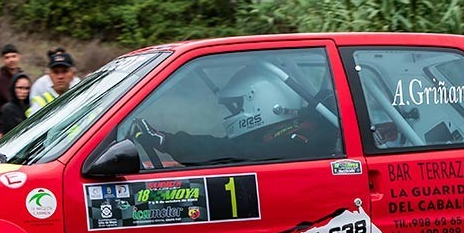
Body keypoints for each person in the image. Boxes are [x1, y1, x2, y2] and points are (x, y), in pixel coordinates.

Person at [130, 66, 342, 165]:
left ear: (259, 101)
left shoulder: (291, 143)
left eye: (238, 104)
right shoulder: (286, 133)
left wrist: (166, 141)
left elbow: (224, 151)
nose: (235, 111)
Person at [27, 51, 81, 116]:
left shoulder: (80, 98)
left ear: (73, 74)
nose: (60, 76)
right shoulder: (41, 103)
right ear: (49, 75)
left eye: (65, 71)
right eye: (55, 72)